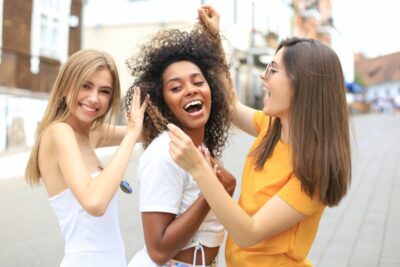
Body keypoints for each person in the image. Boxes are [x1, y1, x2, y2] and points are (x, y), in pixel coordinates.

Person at [167, 5, 351, 267]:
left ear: (302, 84)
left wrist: (198, 168)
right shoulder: (272, 127)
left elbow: (248, 233)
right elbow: (231, 105)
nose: (264, 78)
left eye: (273, 71)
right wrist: (215, 40)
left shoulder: (314, 170)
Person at [124, 14, 235, 267]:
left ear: (211, 91)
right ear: (163, 103)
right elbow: (158, 250)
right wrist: (214, 191)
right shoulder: (165, 153)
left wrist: (214, 38)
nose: (191, 89)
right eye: (176, 88)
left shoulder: (199, 147)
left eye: (198, 82)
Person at [25, 49, 148, 267]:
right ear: (64, 86)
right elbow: (94, 202)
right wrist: (129, 135)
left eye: (104, 91)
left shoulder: (90, 133)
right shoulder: (59, 133)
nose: (94, 98)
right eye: (86, 86)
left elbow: (146, 131)